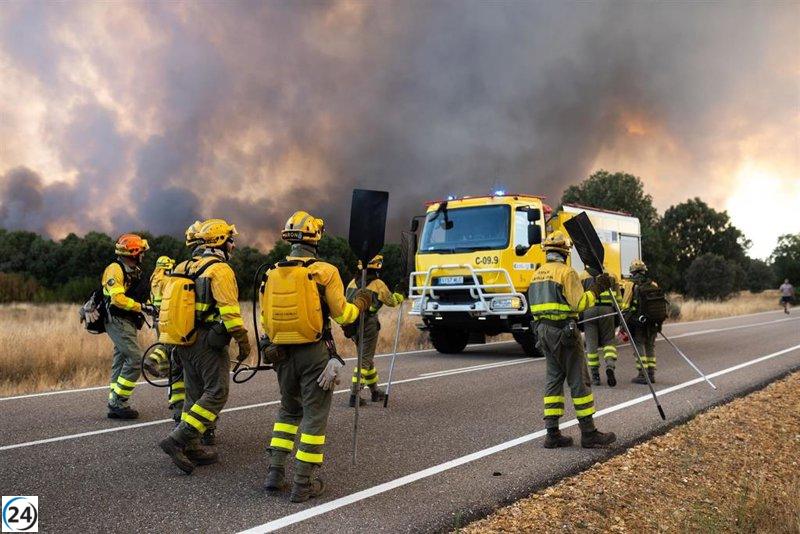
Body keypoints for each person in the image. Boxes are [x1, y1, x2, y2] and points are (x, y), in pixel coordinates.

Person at [262, 210, 371, 503]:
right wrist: (360, 303)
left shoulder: (271, 272)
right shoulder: (324, 270)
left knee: (287, 411)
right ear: (316, 238)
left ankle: (274, 473)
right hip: (313, 353)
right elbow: (342, 314)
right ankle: (302, 483)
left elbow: (264, 318)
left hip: (280, 353)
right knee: (314, 417)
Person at [159, 218, 251, 474]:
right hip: (206, 343)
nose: (233, 246)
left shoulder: (183, 265)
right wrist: (244, 343)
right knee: (217, 392)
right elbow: (230, 314)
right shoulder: (220, 270)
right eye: (230, 240)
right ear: (220, 241)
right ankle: (178, 440)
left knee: (194, 393)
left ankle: (193, 445)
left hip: (181, 340)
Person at [528, 231, 616, 449]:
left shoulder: (537, 274)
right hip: (564, 333)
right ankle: (589, 433)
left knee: (553, 380)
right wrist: (597, 288)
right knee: (579, 380)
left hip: (543, 332)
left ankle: (552, 433)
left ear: (547, 252)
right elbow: (580, 304)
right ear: (565, 253)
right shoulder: (567, 273)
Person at [103, 234, 156, 419]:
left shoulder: (136, 271)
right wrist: (141, 307)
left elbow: (141, 296)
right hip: (117, 319)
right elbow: (117, 299)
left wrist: (152, 306)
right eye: (141, 250)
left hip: (128, 321)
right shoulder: (115, 270)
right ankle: (119, 402)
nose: (143, 254)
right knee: (135, 360)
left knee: (120, 360)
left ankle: (114, 402)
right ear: (133, 252)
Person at [345, 254, 405, 407]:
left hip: (352, 325)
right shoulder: (378, 284)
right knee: (364, 360)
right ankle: (354, 395)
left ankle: (374, 391)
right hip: (369, 325)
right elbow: (392, 301)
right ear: (378, 266)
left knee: (366, 358)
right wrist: (400, 293)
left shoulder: (351, 283)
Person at [579, 267, 619, 387]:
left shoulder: (582, 276)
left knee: (591, 344)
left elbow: (579, 297)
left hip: (589, 311)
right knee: (609, 341)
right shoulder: (612, 274)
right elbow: (618, 298)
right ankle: (610, 366)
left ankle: (595, 376)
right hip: (607, 310)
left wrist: (580, 317)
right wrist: (618, 314)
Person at [623, 259, 659, 384]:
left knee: (638, 345)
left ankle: (642, 375)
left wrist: (624, 322)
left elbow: (625, 304)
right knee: (650, 345)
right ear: (644, 270)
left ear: (632, 271)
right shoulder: (653, 284)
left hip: (637, 321)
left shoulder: (630, 284)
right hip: (653, 321)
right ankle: (651, 374)